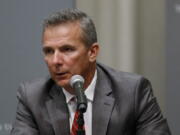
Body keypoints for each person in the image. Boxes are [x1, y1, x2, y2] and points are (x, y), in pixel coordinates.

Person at [11, 8, 171, 135]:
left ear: (92, 52)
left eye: (67, 49)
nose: (55, 61)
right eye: (48, 51)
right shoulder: (32, 97)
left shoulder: (133, 92)